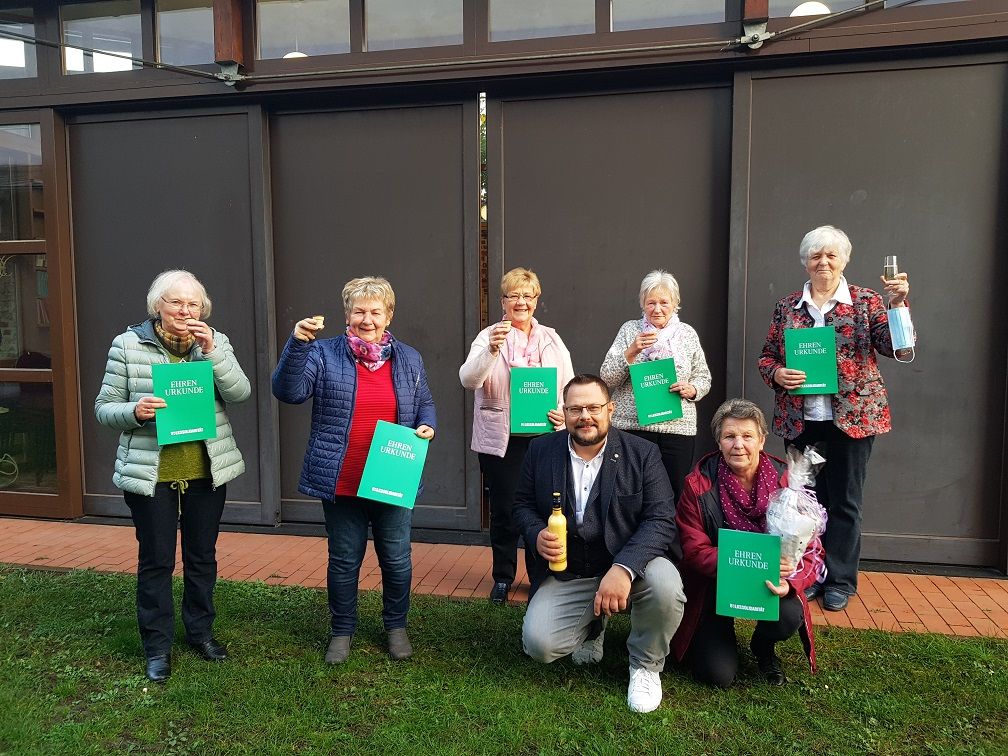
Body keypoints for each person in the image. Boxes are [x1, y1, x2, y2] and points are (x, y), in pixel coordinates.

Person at [95, 270, 251, 683]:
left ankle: (200, 633)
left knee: (202, 557)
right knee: (156, 560)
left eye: (193, 304)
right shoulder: (127, 345)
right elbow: (104, 407)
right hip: (152, 474)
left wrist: (212, 351)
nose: (185, 311)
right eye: (176, 302)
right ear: (157, 306)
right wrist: (134, 411)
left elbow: (240, 393)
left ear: (203, 309)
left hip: (206, 471)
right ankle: (157, 647)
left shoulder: (215, 343)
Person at [272, 276, 435, 665]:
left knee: (396, 558)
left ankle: (396, 626)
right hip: (342, 478)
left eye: (375, 311)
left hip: (391, 477)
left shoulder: (409, 357)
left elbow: (425, 401)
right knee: (345, 560)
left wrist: (428, 424)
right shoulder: (322, 353)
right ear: (347, 314)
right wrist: (297, 344)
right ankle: (342, 630)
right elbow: (288, 392)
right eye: (359, 311)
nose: (367, 319)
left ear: (388, 315)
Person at [758, 225, 912, 612]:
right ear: (805, 262)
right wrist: (777, 373)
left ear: (844, 260)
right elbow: (767, 356)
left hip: (853, 421)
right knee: (805, 501)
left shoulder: (866, 301)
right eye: (816, 255)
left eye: (831, 255)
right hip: (802, 421)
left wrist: (898, 305)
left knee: (844, 502)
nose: (823, 262)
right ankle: (810, 574)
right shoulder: (787, 306)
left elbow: (896, 347)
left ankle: (840, 580)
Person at [514, 374, 685, 713]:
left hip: (632, 564)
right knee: (539, 645)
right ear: (564, 412)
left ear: (610, 409)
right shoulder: (541, 450)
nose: (585, 417)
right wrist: (536, 534)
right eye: (575, 409)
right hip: (573, 569)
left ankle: (645, 665)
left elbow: (661, 519)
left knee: (666, 587)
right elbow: (521, 505)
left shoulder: (643, 453)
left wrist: (624, 568)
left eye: (593, 407)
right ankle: (594, 626)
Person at [671, 399, 823, 688]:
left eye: (747, 436)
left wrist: (791, 583)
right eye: (729, 436)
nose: (738, 445)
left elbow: (812, 550)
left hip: (770, 584)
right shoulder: (698, 484)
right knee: (716, 675)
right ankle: (718, 632)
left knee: (788, 615)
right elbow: (694, 551)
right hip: (714, 585)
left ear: (762, 440)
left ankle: (763, 645)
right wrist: (747, 564)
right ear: (719, 441)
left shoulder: (788, 483)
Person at [459, 267, 574, 605]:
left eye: (527, 295)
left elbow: (568, 385)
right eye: (514, 295)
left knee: (543, 507)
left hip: (543, 437)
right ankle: (503, 577)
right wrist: (491, 351)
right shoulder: (488, 336)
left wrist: (563, 412)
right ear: (503, 301)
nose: (521, 302)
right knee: (505, 509)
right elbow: (468, 379)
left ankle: (540, 576)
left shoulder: (551, 338)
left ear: (536, 300)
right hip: (501, 440)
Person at [600, 269, 711, 503]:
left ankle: (666, 530)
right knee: (630, 494)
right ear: (643, 303)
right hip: (633, 428)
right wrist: (631, 352)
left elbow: (703, 376)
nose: (657, 309)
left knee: (673, 495)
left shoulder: (687, 334)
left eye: (664, 302)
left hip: (677, 430)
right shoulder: (630, 330)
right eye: (651, 303)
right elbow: (607, 378)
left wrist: (692, 389)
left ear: (675, 303)